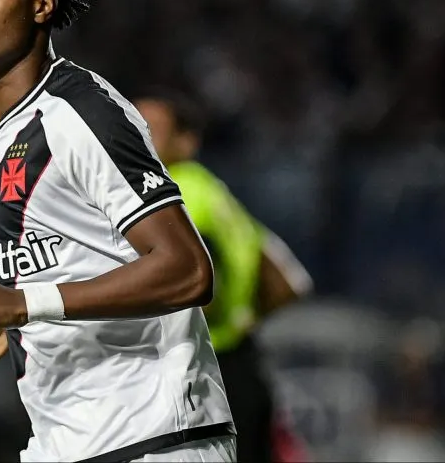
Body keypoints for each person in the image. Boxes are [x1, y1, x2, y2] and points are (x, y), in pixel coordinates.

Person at [0, 0, 235, 463]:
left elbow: (188, 270)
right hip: (67, 443)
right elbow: (65, 265)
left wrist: (23, 304)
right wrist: (11, 325)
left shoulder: (79, 112)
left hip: (153, 438)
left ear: (41, 4)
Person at [134, 90, 314, 463]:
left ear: (186, 142)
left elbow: (198, 285)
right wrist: (240, 320)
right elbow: (288, 282)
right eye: (131, 123)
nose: (136, 134)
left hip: (197, 373)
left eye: (150, 128)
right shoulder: (214, 191)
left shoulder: (174, 194)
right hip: (239, 364)